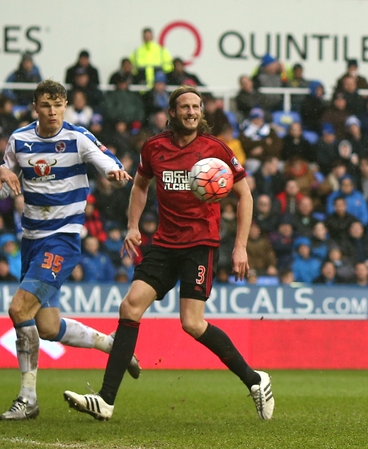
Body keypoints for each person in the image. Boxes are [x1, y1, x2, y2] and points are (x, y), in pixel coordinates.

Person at [62, 85, 274, 421]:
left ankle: (255, 379)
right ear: (172, 113)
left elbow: (245, 195)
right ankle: (105, 400)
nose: (191, 112)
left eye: (196, 107)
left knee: (192, 323)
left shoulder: (215, 149)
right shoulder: (154, 148)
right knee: (130, 306)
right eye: (185, 107)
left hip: (200, 245)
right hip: (164, 243)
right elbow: (140, 185)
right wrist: (133, 226)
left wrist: (240, 247)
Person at [0, 80, 137, 420]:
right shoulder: (19, 140)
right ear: (35, 107)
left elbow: (103, 158)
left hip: (62, 239)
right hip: (31, 240)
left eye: (58, 104)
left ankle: (28, 399)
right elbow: (6, 183)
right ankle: (112, 345)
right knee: (47, 326)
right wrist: (2, 171)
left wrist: (114, 171)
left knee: (19, 309)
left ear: (65, 106)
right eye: (46, 105)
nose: (52, 111)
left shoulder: (77, 138)